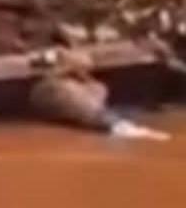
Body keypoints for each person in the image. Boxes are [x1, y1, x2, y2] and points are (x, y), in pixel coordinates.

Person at [29, 48, 170, 141]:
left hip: (77, 105)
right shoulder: (56, 73)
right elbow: (40, 69)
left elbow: (90, 82)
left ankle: (116, 123)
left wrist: (81, 74)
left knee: (98, 91)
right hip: (51, 90)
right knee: (71, 91)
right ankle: (116, 125)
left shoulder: (89, 85)